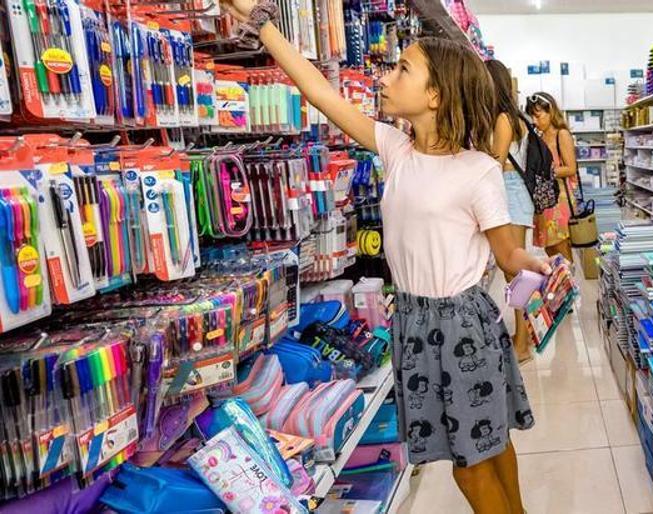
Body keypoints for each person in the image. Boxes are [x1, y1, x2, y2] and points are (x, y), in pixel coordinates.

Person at [219, 2, 546, 513]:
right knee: (484, 446)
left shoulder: (478, 170)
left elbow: (506, 252)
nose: (387, 76)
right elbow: (319, 91)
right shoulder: (396, 148)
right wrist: (262, 23)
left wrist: (528, 263)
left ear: (434, 95)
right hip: (414, 320)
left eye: (403, 69)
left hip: (461, 325)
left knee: (475, 456)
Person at [485, 60, 535, 363]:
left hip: (513, 192)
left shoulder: (504, 118)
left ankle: (523, 340)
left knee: (514, 271)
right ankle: (522, 334)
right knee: (511, 271)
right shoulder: (508, 116)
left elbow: (496, 160)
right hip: (512, 191)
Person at [524, 92, 578, 264]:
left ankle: (568, 285)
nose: (534, 121)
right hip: (543, 199)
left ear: (551, 111)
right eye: (532, 116)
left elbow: (571, 168)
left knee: (561, 248)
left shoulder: (561, 134)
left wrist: (545, 172)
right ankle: (560, 284)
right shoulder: (538, 137)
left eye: (538, 115)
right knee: (549, 248)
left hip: (559, 199)